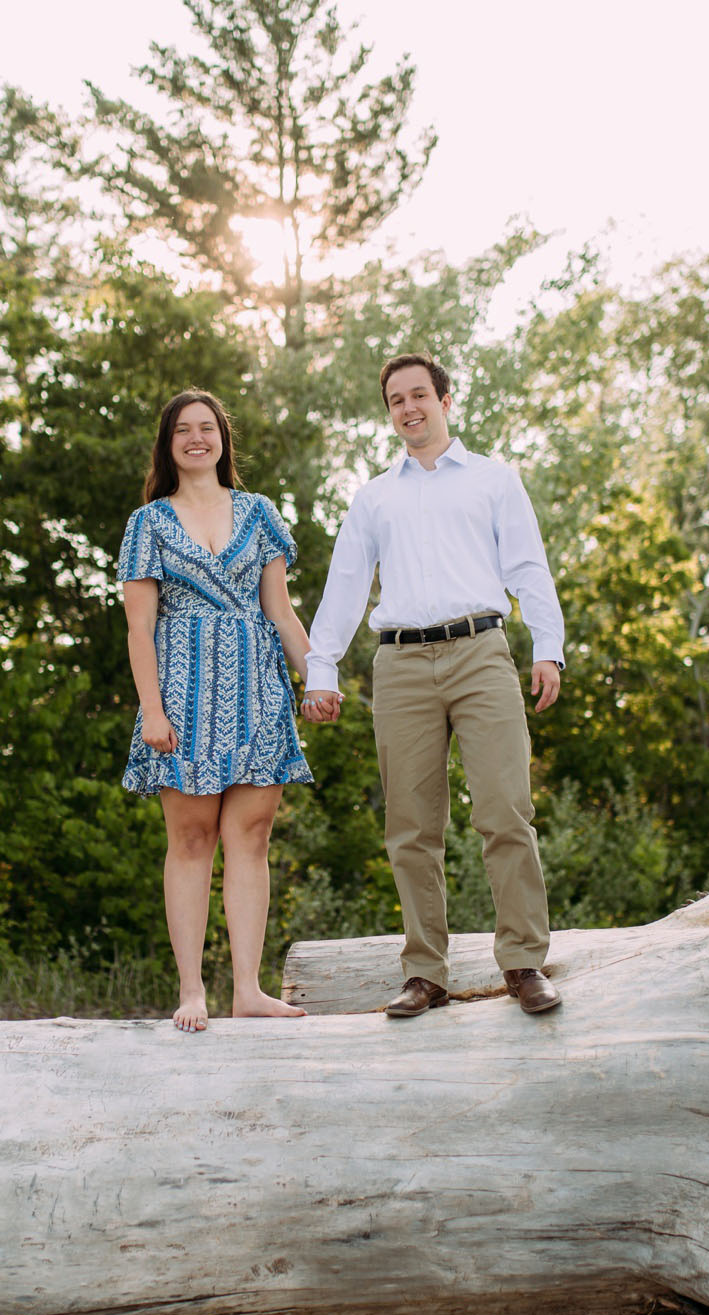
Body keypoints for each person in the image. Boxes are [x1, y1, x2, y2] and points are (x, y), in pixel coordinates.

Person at [301, 353, 566, 1017]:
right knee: (411, 827)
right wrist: (321, 669)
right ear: (389, 411)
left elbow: (529, 565)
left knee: (505, 810)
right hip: (401, 667)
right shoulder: (375, 497)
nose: (409, 407)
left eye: (420, 394)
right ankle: (426, 973)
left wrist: (549, 647)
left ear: (446, 400)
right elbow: (345, 586)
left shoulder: (492, 480)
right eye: (396, 399)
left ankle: (524, 961)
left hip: (481, 652)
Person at [119, 390, 314, 1032]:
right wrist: (151, 709)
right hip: (180, 697)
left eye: (208, 428)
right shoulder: (147, 523)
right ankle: (192, 990)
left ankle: (250, 989)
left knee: (251, 839)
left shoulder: (259, 513)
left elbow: (281, 611)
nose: (197, 438)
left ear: (223, 440)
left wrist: (318, 677)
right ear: (168, 443)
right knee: (192, 840)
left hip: (258, 691)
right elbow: (139, 628)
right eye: (183, 430)